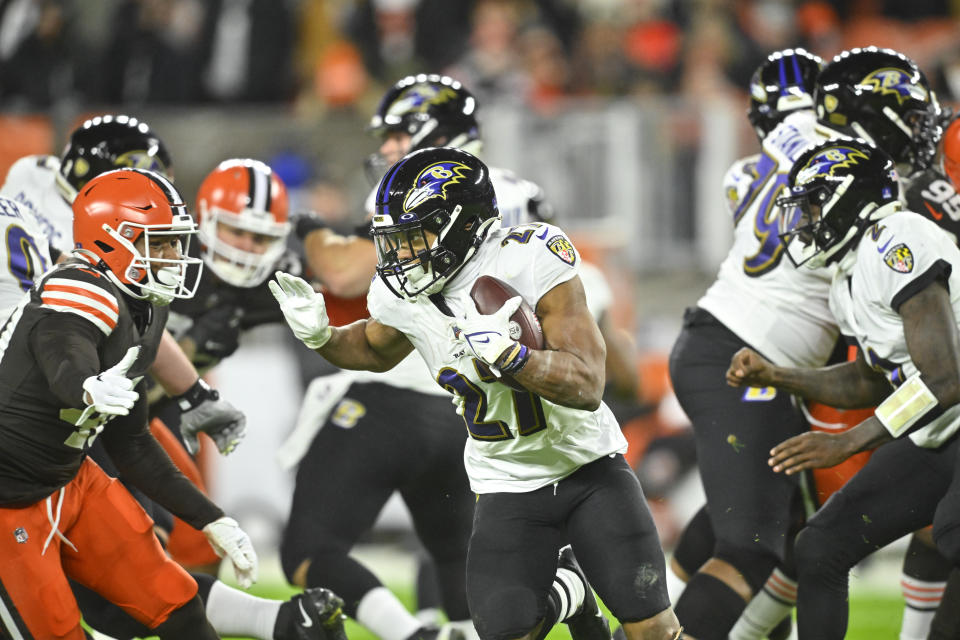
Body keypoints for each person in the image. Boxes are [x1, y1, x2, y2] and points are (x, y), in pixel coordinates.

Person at [271, 145, 683, 640]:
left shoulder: (531, 257)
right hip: (505, 482)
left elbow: (589, 383)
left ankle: (573, 592)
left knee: (652, 630)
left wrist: (515, 359)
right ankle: (570, 593)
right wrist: (325, 337)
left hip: (587, 469)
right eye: (393, 239)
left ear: (461, 225)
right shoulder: (403, 294)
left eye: (413, 236)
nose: (400, 253)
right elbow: (374, 350)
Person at [667, 46, 947, 640]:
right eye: (909, 115)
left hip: (740, 342)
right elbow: (885, 375)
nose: (804, 221)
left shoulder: (879, 228)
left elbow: (934, 375)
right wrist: (785, 379)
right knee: (771, 540)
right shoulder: (858, 243)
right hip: (752, 346)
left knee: (782, 527)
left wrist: (837, 426)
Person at [282, 73, 559, 640]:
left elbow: (344, 269)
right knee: (457, 570)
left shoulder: (421, 190)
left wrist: (306, 230)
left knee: (309, 550)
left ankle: (411, 635)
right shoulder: (523, 194)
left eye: (397, 131)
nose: (385, 147)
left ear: (435, 129)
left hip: (399, 390)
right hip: (475, 410)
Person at [0, 167, 258, 639]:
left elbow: (132, 443)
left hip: (72, 479)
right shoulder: (79, 286)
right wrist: (85, 386)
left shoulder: (144, 303)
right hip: (7, 502)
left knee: (177, 604)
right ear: (106, 242)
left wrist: (211, 518)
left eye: (174, 242)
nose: (172, 256)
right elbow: (63, 347)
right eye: (156, 243)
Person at [726, 136, 960, 640]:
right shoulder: (848, 274)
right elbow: (869, 378)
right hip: (941, 432)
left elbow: (945, 377)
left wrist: (847, 441)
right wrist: (777, 374)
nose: (805, 221)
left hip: (949, 418)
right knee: (820, 547)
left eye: (811, 205)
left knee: (954, 536)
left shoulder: (898, 237)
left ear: (846, 196)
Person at [0, 112, 246, 455]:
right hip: (46, 390)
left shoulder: (31, 172)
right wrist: (195, 393)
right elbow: (130, 320)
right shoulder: (90, 240)